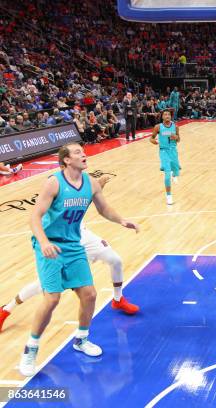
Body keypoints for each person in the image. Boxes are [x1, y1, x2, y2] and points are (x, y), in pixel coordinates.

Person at [19, 143, 139, 377]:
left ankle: (81, 339)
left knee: (89, 294)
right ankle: (30, 349)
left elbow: (104, 209)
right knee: (52, 298)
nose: (83, 154)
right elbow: (35, 216)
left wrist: (122, 221)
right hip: (50, 244)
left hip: (73, 245)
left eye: (83, 151)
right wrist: (43, 242)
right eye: (77, 152)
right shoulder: (54, 182)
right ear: (66, 160)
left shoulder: (91, 183)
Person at [0, 176, 139, 332]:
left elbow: (88, 199)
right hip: (64, 243)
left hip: (84, 236)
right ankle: (6, 310)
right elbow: (35, 219)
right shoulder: (51, 201)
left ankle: (118, 299)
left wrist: (97, 186)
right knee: (42, 286)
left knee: (115, 260)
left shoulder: (78, 188)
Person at [150, 110, 181, 205]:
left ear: (171, 116)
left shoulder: (175, 126)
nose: (167, 116)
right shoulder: (158, 127)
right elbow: (151, 138)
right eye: (165, 114)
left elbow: (179, 139)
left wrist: (176, 137)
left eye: (168, 114)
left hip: (173, 150)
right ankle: (169, 196)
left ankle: (174, 174)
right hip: (163, 151)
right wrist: (153, 141)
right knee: (167, 174)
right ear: (162, 117)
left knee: (176, 171)